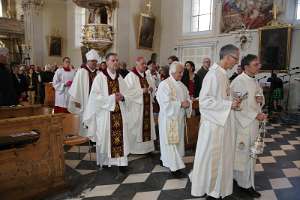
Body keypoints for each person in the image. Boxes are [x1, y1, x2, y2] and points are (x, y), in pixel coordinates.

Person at [190, 44, 241, 199]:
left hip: (221, 123)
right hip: (213, 126)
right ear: (227, 57)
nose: (237, 62)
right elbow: (204, 102)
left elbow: (221, 97)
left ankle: (218, 188)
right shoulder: (213, 75)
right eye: (235, 59)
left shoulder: (223, 74)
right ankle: (210, 189)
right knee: (211, 158)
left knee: (220, 158)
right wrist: (228, 104)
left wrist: (233, 100)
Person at [83, 53, 133, 172]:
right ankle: (105, 161)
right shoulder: (100, 78)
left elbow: (128, 94)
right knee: (105, 138)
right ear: (106, 62)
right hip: (105, 115)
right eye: (113, 60)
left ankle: (122, 163)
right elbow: (95, 98)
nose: (115, 62)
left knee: (122, 137)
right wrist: (111, 98)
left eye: (117, 60)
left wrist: (123, 97)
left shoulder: (120, 78)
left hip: (120, 113)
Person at [230, 54, 267, 198]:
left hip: (253, 123)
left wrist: (261, 99)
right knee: (243, 154)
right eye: (256, 64)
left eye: (259, 64)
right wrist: (254, 115)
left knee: (250, 154)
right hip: (243, 125)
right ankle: (244, 184)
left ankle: (241, 180)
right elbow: (237, 106)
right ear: (246, 67)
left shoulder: (254, 81)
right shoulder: (239, 82)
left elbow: (258, 98)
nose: (259, 66)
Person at [156, 61, 192, 177]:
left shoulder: (182, 86)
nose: (181, 74)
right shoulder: (164, 85)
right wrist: (180, 104)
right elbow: (164, 103)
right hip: (169, 120)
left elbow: (187, 98)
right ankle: (174, 168)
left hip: (179, 120)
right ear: (172, 72)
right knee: (170, 143)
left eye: (182, 72)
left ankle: (166, 160)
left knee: (177, 143)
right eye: (179, 72)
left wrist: (189, 103)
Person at [124, 56, 156, 155]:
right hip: (136, 108)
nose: (145, 65)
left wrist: (151, 89)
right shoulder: (130, 76)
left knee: (147, 127)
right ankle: (134, 149)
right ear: (136, 64)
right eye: (142, 64)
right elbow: (127, 92)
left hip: (146, 107)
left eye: (145, 63)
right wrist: (142, 91)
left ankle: (147, 149)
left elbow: (153, 87)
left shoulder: (147, 76)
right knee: (136, 128)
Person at [68, 49, 100, 136]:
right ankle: (84, 136)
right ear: (88, 61)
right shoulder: (81, 72)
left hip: (96, 102)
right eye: (92, 61)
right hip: (84, 100)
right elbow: (76, 87)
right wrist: (76, 100)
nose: (94, 63)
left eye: (95, 61)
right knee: (84, 118)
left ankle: (94, 137)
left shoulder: (99, 73)